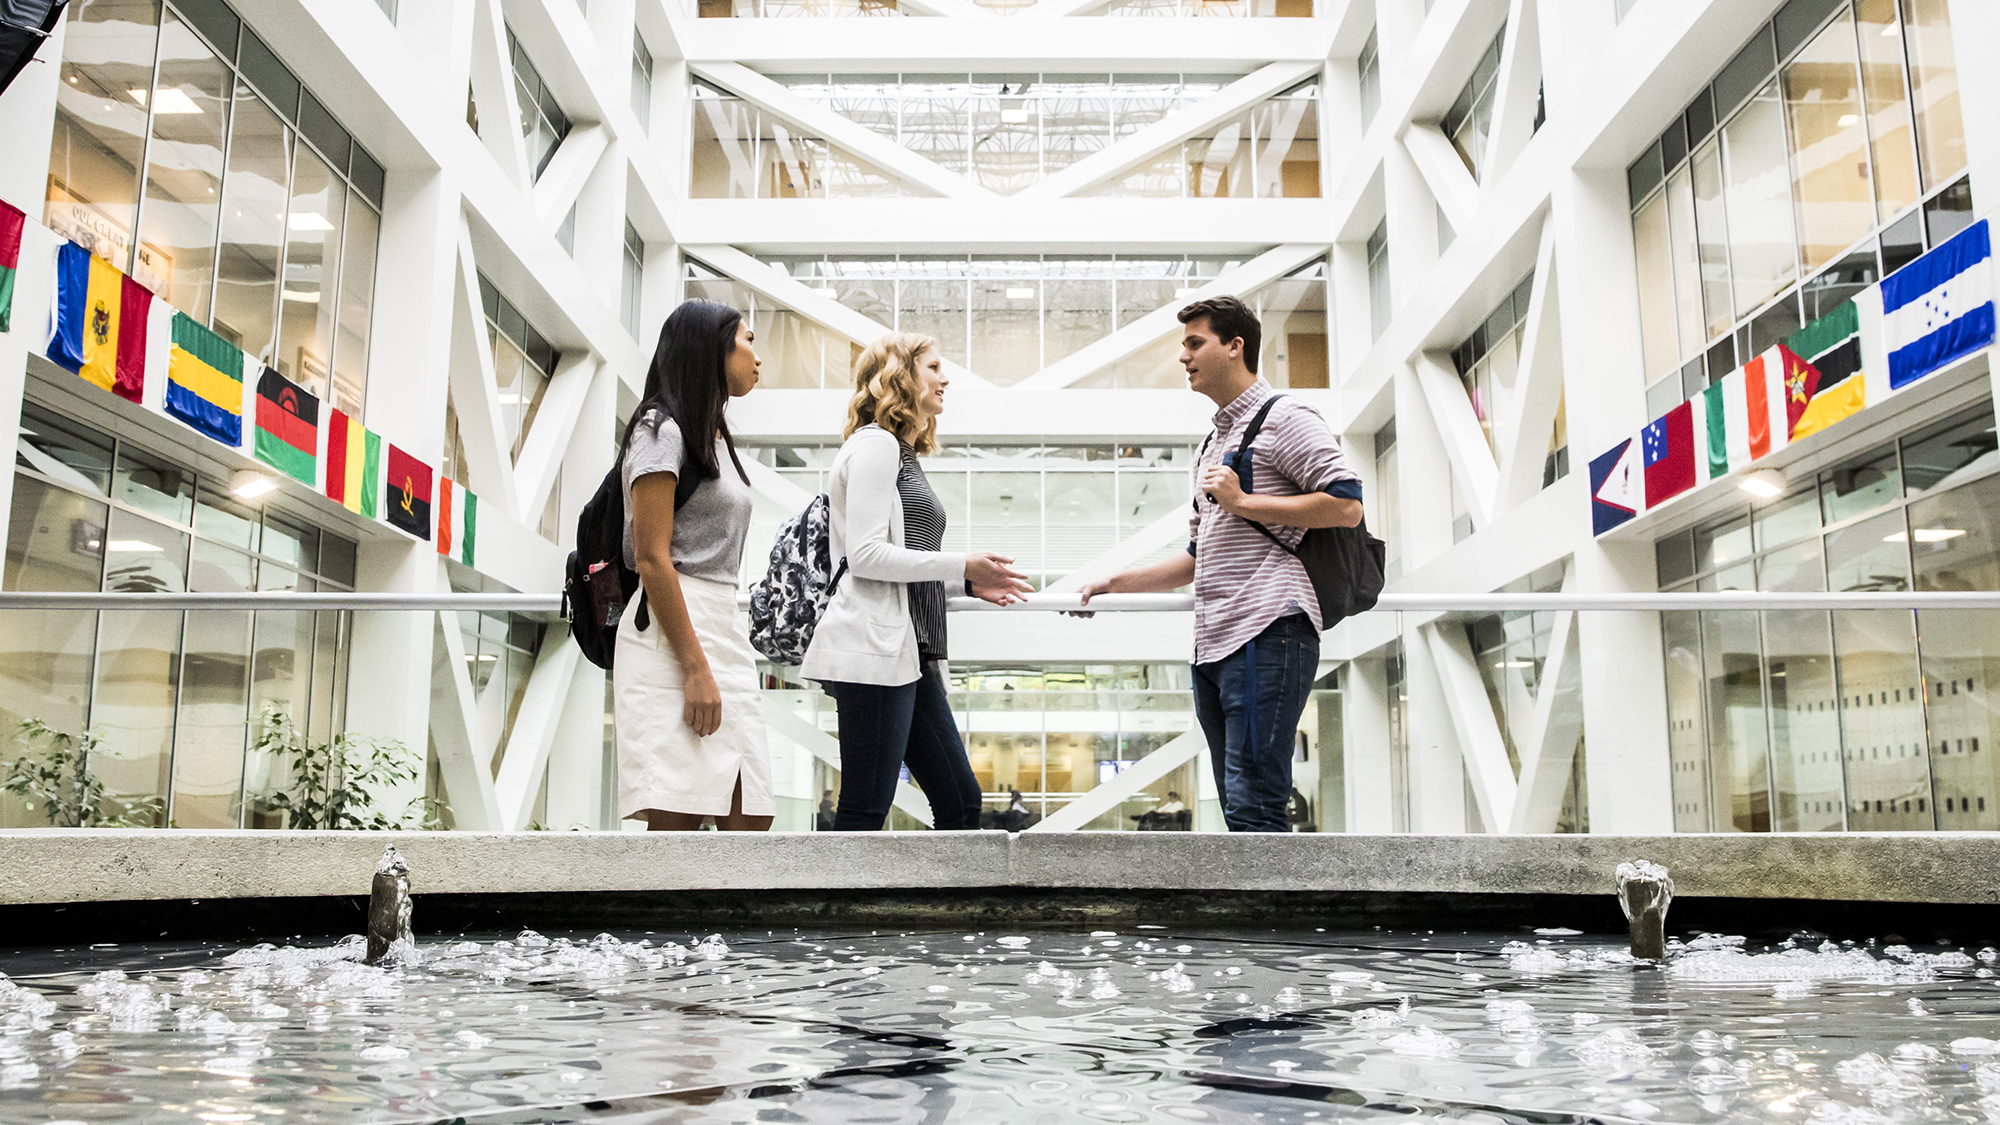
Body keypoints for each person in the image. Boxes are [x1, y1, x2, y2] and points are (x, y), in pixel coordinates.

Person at [1074, 296, 1362, 833]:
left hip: (1271, 629)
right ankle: (1262, 916)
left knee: (1255, 802)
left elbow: (1347, 505)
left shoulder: (1288, 417)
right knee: (1236, 805)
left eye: (1194, 343)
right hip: (1214, 641)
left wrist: (1244, 503)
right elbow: (1196, 556)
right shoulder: (1213, 441)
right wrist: (1115, 583)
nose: (1183, 357)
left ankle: (1274, 918)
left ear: (1235, 346)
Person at [801, 333, 1033, 830]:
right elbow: (866, 556)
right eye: (932, 367)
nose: (944, 378)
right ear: (900, 377)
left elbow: (903, 568)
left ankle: (949, 909)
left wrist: (967, 586)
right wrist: (962, 566)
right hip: (873, 652)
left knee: (961, 801)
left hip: (908, 654)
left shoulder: (904, 456)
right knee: (866, 808)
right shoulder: (875, 446)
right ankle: (833, 907)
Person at [615, 299, 772, 832]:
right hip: (671, 628)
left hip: (721, 624)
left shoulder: (713, 435)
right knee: (676, 827)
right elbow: (652, 557)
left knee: (750, 814)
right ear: (713, 348)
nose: (758, 357)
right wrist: (694, 667)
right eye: (748, 340)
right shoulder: (661, 429)